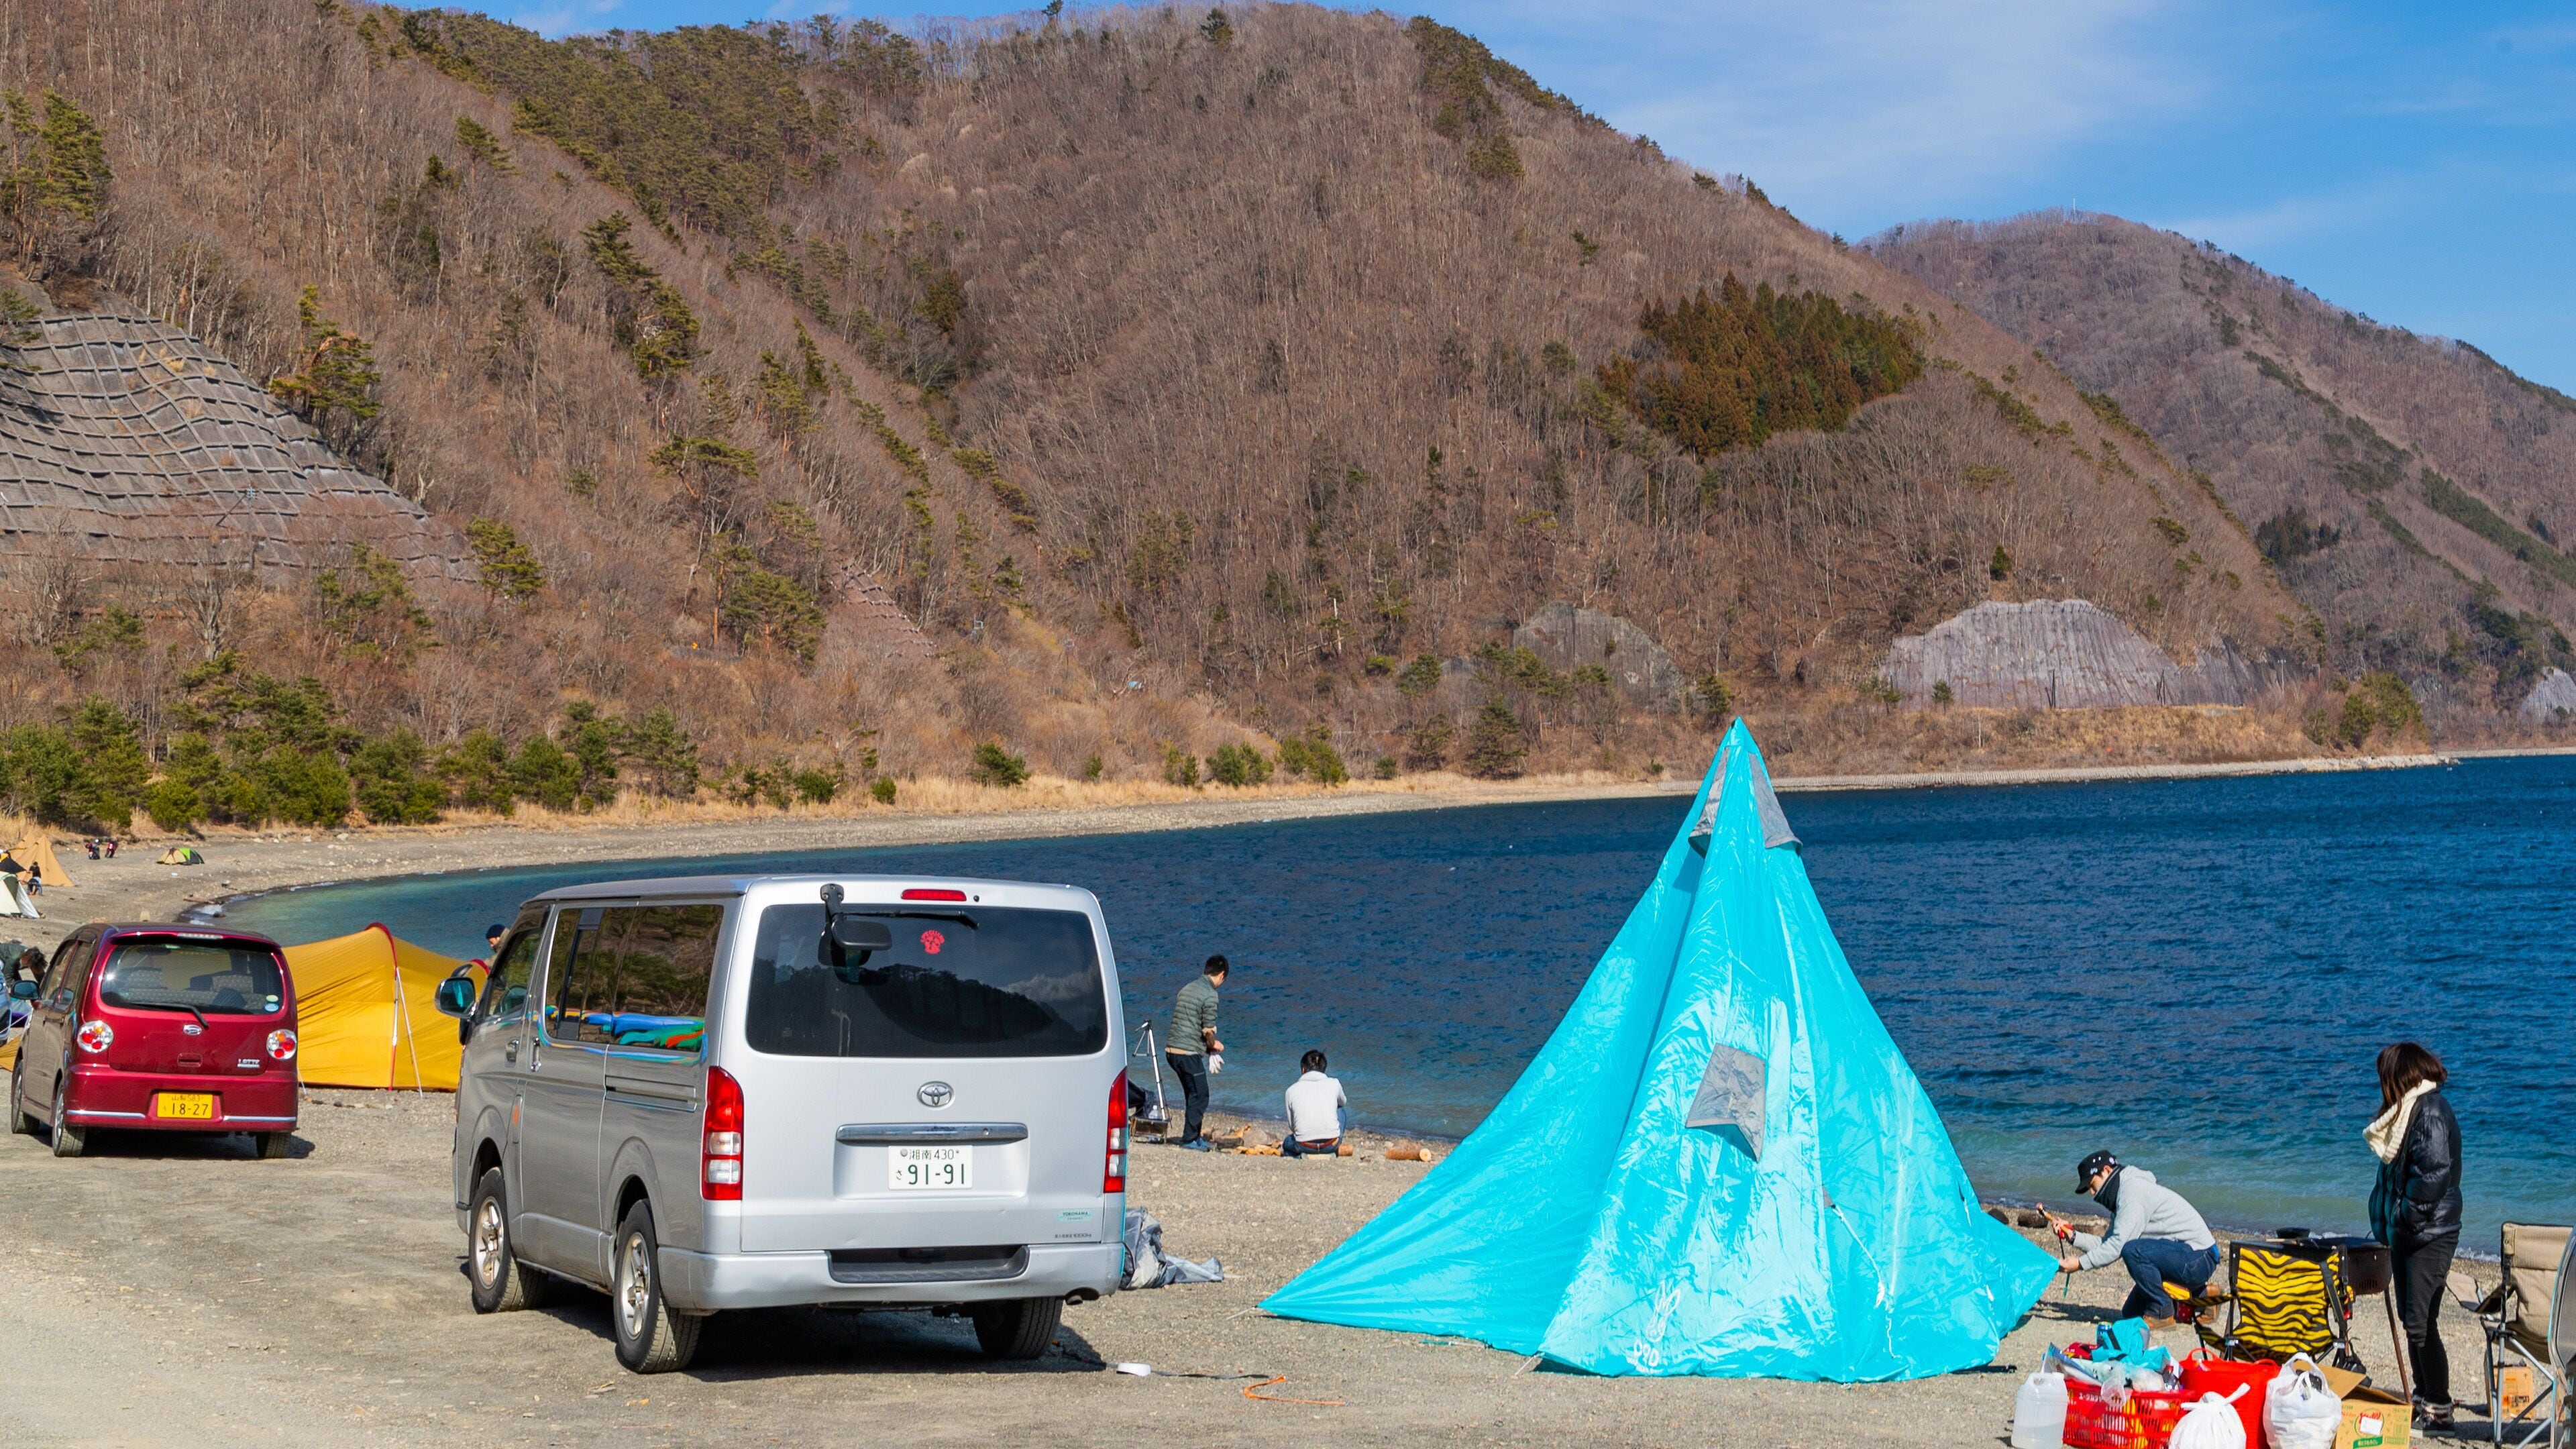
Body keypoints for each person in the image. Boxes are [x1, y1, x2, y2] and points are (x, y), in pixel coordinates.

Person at [2367, 1042, 2461, 1431]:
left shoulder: (2431, 1112)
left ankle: (2439, 1407)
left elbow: (2433, 1177)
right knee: (2413, 1320)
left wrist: (2403, 1219)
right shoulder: (2411, 1110)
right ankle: (2423, 1397)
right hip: (2410, 1233)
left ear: (2399, 1076)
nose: (2382, 1085)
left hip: (2430, 1234)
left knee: (2422, 1321)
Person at [2049, 1150, 2220, 1330]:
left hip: (2199, 1258)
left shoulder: (2132, 1193)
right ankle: (2205, 1297)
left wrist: (2079, 1264)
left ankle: (2163, 1313)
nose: (2093, 1194)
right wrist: (2073, 1236)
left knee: (2132, 1251)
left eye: (2093, 1186)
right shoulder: (2122, 1195)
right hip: (2187, 1258)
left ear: (2106, 1171)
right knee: (2131, 1314)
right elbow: (2108, 1244)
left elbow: (2118, 1247)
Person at [1164, 955, 1228, 1150]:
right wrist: (1213, 1046)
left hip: (1172, 1051)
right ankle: (1190, 1139)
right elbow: (1208, 1029)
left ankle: (1194, 1136)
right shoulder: (1210, 994)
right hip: (1187, 1053)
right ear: (1222, 975)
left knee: (1192, 1094)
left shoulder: (1187, 988)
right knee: (1201, 1095)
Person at [1280, 1049, 1348, 1159]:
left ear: (1303, 1070)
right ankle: (1328, 1151)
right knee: (1340, 1109)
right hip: (1331, 1144)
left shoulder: (1291, 1090)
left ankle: (1301, 1156)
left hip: (1304, 1145)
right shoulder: (1334, 1083)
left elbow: (1292, 1126)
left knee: (1287, 1143)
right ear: (1323, 1069)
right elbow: (1343, 1102)